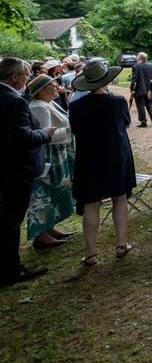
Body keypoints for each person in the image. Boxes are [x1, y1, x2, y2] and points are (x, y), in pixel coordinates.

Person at [68, 60, 136, 266]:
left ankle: (91, 253)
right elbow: (125, 123)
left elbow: (75, 129)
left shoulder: (76, 106)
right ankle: (121, 244)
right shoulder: (117, 102)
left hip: (89, 156)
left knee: (91, 203)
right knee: (120, 197)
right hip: (116, 154)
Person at [0, 58, 55, 285]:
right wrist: (45, 133)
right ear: (14, 77)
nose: (27, 79)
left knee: (6, 219)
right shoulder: (14, 101)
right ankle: (11, 270)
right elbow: (22, 137)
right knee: (11, 221)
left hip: (5, 166)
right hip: (15, 168)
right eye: (24, 74)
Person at [25, 75, 76, 250]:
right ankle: (41, 235)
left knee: (56, 192)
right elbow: (47, 135)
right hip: (48, 158)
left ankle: (49, 227)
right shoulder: (39, 107)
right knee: (44, 193)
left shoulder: (48, 103)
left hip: (58, 154)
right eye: (52, 85)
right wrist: (71, 129)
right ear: (42, 90)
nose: (57, 87)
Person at [130, 52, 152, 128]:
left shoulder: (136, 66)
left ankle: (143, 121)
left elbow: (134, 79)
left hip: (139, 89)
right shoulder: (151, 65)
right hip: (149, 88)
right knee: (149, 104)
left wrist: (132, 89)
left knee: (140, 106)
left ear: (139, 58)